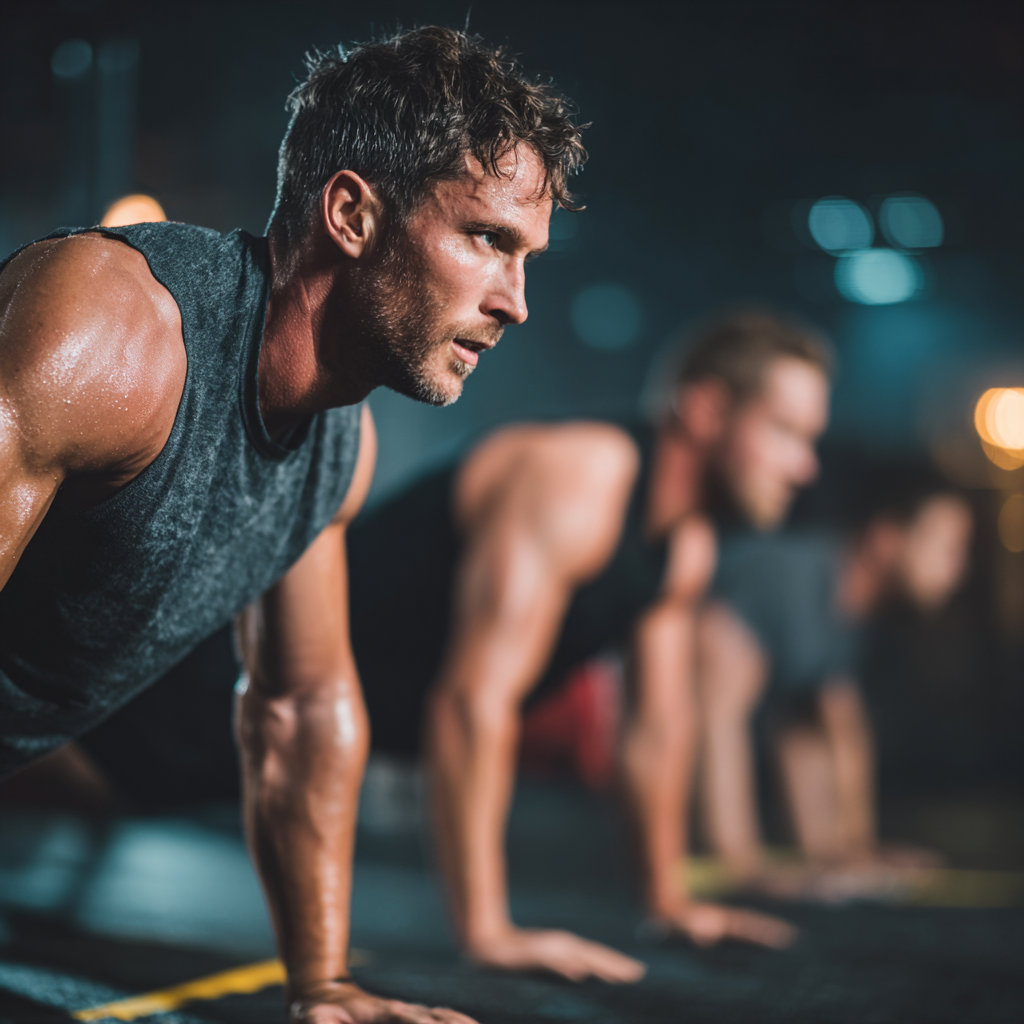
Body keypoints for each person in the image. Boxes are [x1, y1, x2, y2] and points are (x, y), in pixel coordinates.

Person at [0, 26, 584, 1024]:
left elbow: (300, 709)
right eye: (486, 239)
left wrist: (323, 986)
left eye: (525, 256)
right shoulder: (116, 331)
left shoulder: (335, 451)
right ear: (353, 213)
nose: (515, 303)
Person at [342, 309, 830, 980]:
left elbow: (655, 731)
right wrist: (488, 931)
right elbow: (471, 700)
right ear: (708, 410)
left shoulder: (685, 549)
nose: (805, 467)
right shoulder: (582, 475)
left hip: (344, 726)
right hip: (224, 683)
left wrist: (668, 902)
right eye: (785, 433)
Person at [696, 467, 974, 897]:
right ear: (886, 539)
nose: (959, 568)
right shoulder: (794, 578)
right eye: (948, 547)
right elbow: (715, 708)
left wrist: (849, 857)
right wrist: (740, 863)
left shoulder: (845, 616)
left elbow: (825, 731)